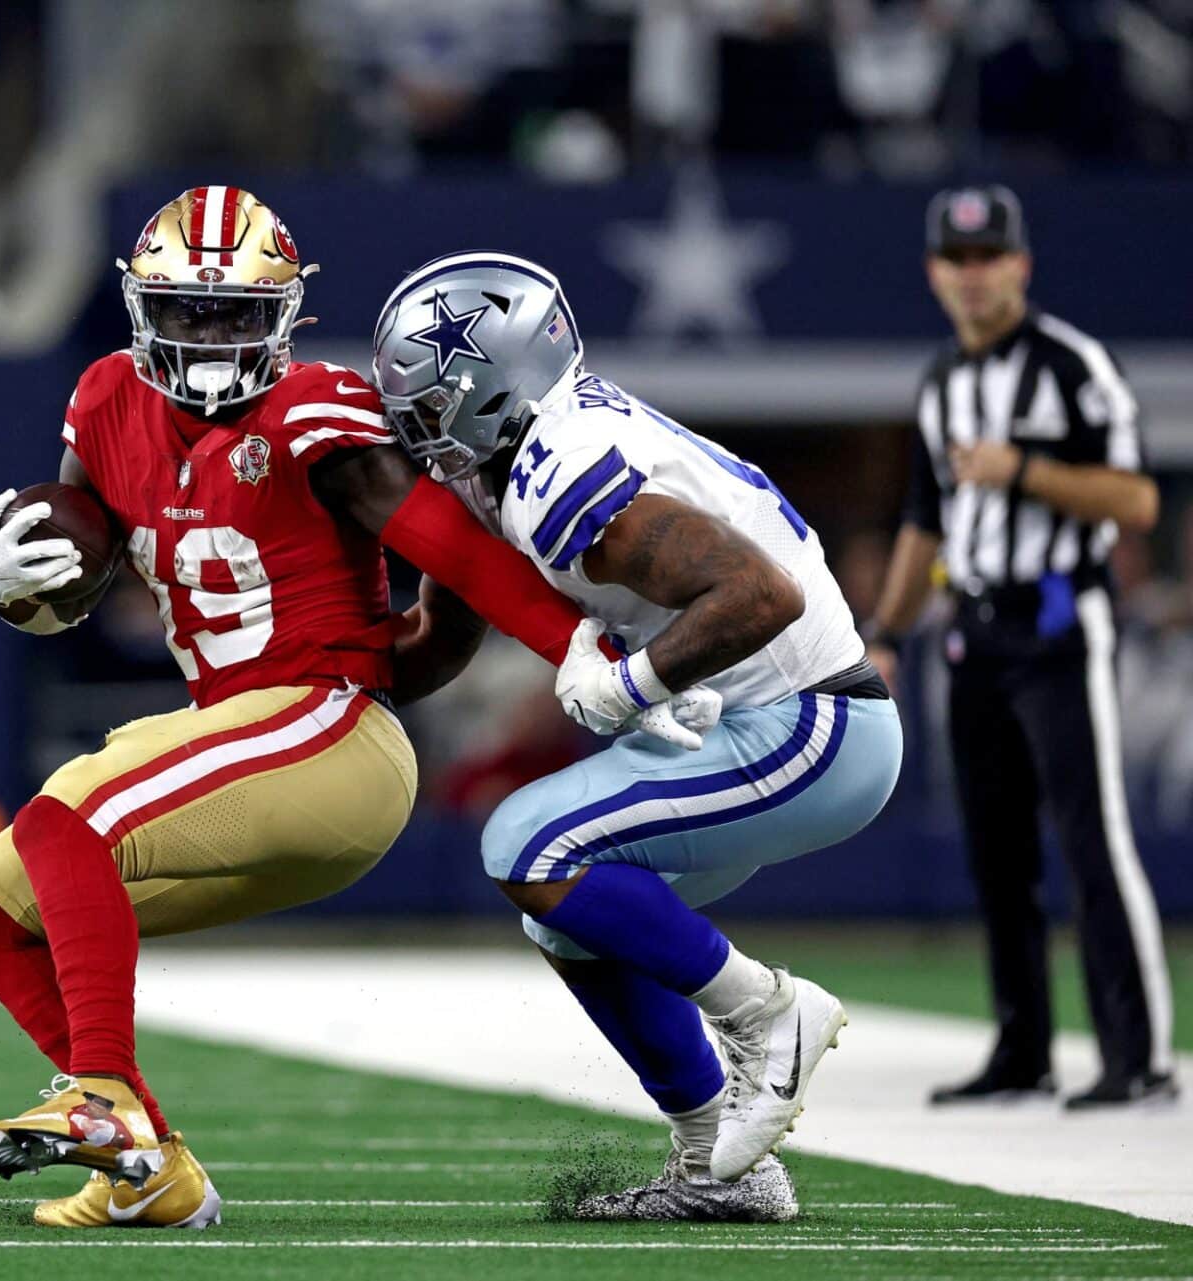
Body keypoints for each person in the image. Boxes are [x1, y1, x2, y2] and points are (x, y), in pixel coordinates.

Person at [0, 187, 710, 1231]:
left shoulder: (311, 406)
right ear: (138, 309)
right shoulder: (105, 399)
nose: (211, 339)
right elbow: (72, 573)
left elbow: (448, 544)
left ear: (285, 315)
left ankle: (106, 1100)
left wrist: (583, 648)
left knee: (64, 819)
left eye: (233, 315)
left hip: (328, 727)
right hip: (242, 746)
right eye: (188, 312)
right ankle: (153, 1171)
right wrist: (6, 584)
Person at [369, 251, 904, 1221]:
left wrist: (630, 684)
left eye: (434, 399)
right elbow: (444, 631)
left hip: (814, 721)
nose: (413, 424)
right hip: (749, 718)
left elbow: (760, 594)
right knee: (565, 911)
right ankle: (715, 1168)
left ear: (501, 385)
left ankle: (769, 1014)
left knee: (526, 842)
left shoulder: (557, 469)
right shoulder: (506, 465)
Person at [864, 185, 1173, 1109]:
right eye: (955, 260)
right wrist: (885, 631)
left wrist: (1025, 470)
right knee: (995, 847)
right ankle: (1022, 1049)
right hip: (973, 630)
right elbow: (924, 523)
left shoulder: (1074, 366)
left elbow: (1138, 502)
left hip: (1057, 624)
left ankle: (1138, 1056)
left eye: (987, 256)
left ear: (1021, 264)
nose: (971, 275)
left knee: (1091, 837)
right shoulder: (941, 385)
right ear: (933, 272)